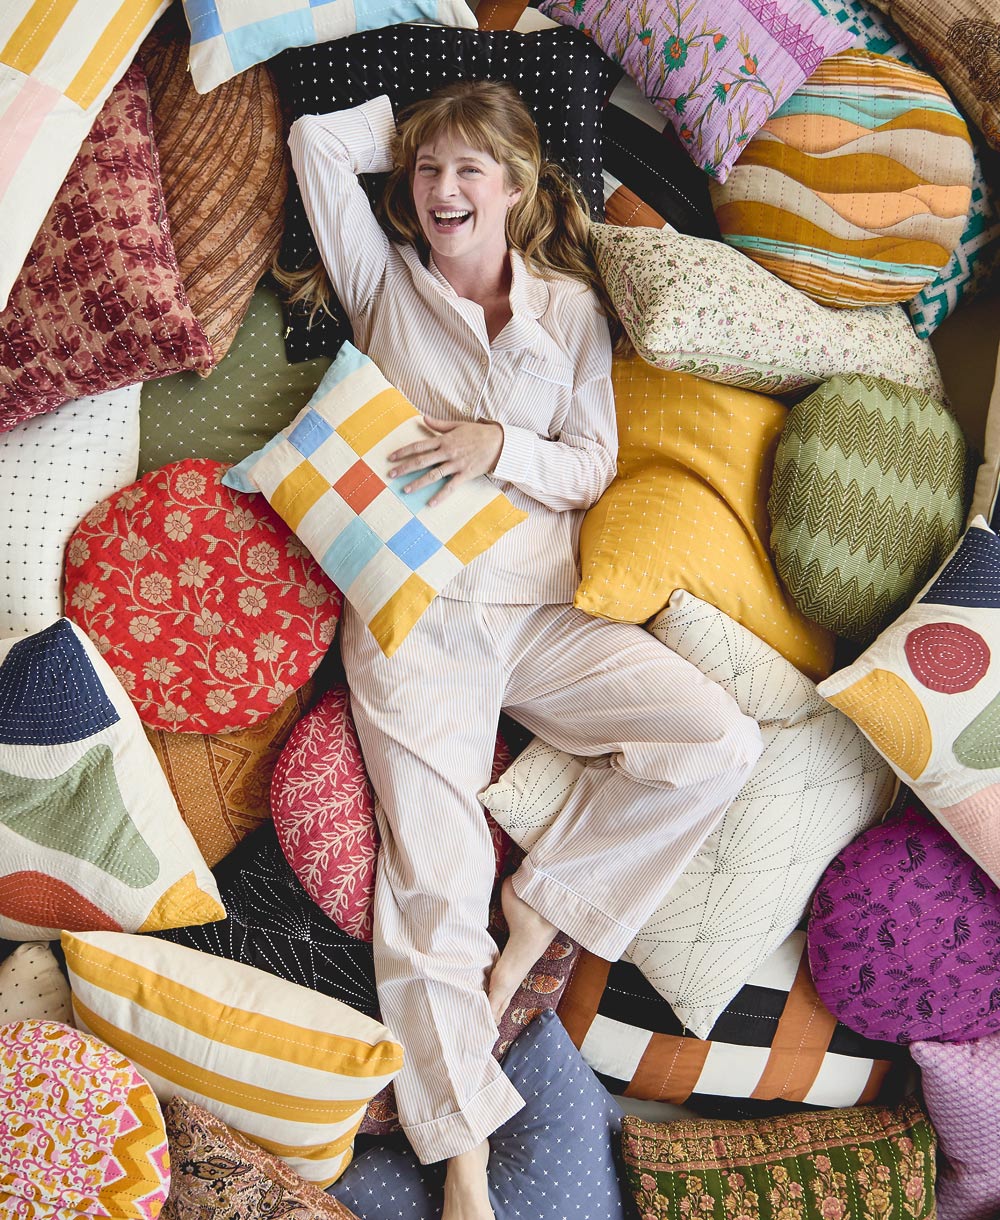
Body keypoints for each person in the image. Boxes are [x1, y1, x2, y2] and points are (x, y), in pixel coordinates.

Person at [284, 81, 762, 1220]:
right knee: (437, 880)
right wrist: (416, 117)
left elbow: (591, 464)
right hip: (424, 619)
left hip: (546, 608)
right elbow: (314, 139)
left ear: (516, 190)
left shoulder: (567, 309)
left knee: (715, 740)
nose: (443, 190)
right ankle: (464, 1159)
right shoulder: (381, 281)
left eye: (469, 172)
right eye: (429, 172)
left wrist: (496, 444)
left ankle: (546, 908)